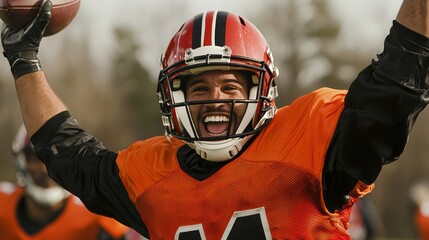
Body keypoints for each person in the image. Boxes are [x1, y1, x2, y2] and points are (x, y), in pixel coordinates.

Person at [1, 0, 428, 238]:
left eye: (230, 86)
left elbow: (394, 86)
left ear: (260, 91)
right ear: (173, 96)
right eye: (198, 88)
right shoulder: (151, 176)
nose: (214, 100)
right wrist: (23, 59)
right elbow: (66, 153)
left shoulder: (308, 142)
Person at [0, 124, 131, 240]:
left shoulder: (97, 219)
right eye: (36, 158)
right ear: (22, 161)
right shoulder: (3, 204)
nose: (45, 169)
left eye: (53, 159)